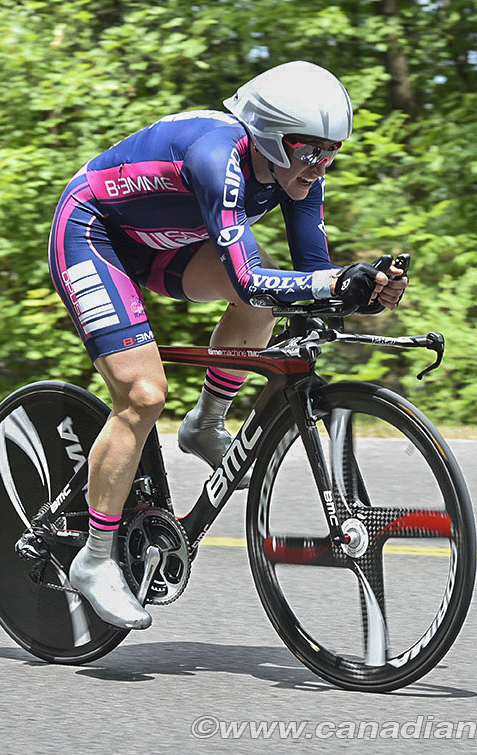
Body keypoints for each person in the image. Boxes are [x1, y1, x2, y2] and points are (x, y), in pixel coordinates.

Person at [48, 60, 409, 629]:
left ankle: (204, 426)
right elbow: (247, 279)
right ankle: (94, 561)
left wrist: (361, 290)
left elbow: (311, 275)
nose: (320, 166)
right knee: (142, 395)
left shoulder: (298, 177)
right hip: (91, 232)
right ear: (268, 136)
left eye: (331, 152)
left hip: (160, 243)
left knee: (270, 301)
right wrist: (332, 282)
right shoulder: (217, 158)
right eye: (308, 150)